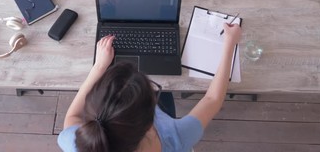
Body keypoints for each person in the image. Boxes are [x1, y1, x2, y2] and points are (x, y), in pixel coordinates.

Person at [58, 23, 242, 152]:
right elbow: (212, 99)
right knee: (168, 98)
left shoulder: (79, 143)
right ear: (149, 123)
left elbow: (72, 117)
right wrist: (229, 44)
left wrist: (99, 66)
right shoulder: (177, 139)